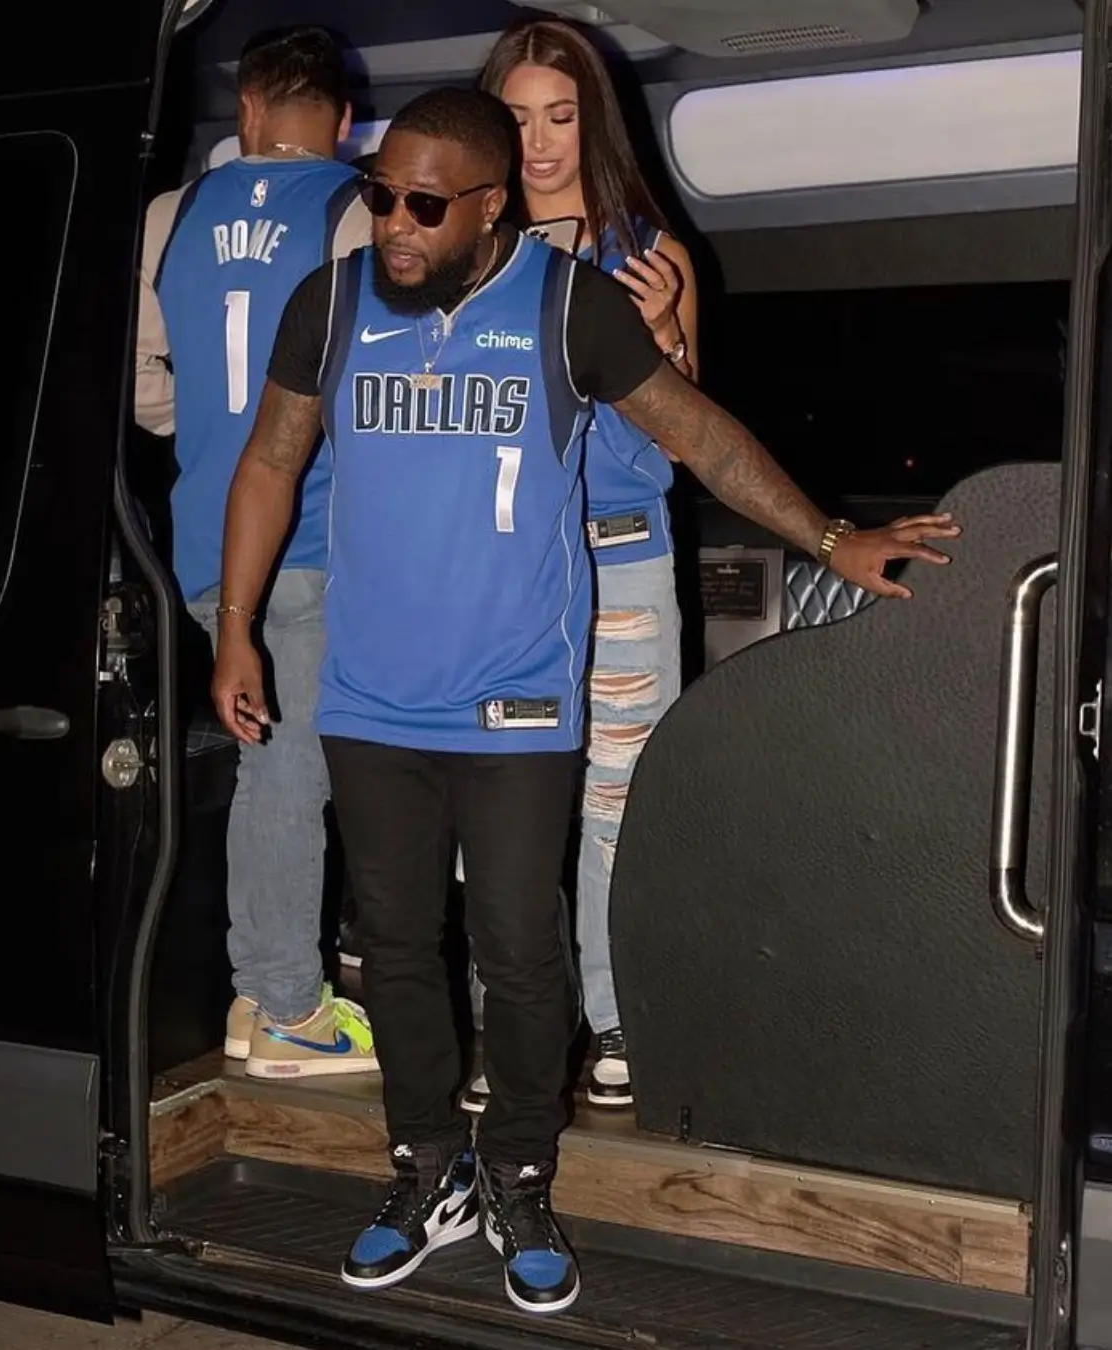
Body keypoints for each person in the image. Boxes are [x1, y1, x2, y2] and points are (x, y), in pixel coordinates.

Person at [209, 86, 959, 1316]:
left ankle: (515, 1172)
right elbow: (271, 461)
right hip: (368, 698)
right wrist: (237, 634)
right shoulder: (333, 302)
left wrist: (829, 537)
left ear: (490, 205)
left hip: (512, 703)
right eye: (379, 197)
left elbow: (698, 435)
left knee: (517, 951)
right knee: (395, 949)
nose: (391, 224)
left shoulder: (566, 306)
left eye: (422, 205)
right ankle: (421, 1169)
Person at [464, 16, 698, 1114]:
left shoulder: (647, 251)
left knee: (618, 806)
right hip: (495, 571)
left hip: (619, 559)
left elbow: (691, 440)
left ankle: (615, 1018)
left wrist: (668, 348)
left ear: (590, 123)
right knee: (502, 810)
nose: (540, 143)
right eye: (516, 119)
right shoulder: (470, 254)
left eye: (560, 116)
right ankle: (509, 1024)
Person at [134, 24, 377, 1079]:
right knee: (291, 773)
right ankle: (281, 1002)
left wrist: (204, 432)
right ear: (342, 120)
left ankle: (281, 982)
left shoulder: (166, 214)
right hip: (318, 533)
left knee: (276, 763)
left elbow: (145, 386)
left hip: (202, 544)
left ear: (246, 111)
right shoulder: (359, 209)